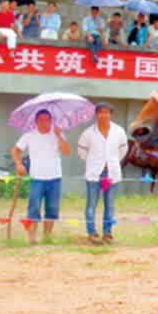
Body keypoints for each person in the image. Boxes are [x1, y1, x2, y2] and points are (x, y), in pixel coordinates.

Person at [13, 109, 70, 245]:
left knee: (52, 208)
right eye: (41, 120)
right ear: (36, 121)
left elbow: (67, 152)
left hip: (55, 177)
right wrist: (19, 164)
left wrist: (59, 136)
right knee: (33, 207)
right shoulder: (29, 135)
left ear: (51, 121)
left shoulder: (58, 134)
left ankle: (47, 237)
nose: (44, 123)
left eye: (47, 120)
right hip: (36, 178)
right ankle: (32, 239)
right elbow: (15, 150)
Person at [77, 103, 128, 244]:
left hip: (111, 173)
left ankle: (107, 233)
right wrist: (93, 161)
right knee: (91, 204)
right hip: (94, 173)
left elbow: (123, 150)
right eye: (100, 112)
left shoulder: (119, 131)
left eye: (107, 112)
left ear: (111, 114)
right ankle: (92, 233)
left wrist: (112, 161)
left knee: (109, 205)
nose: (104, 115)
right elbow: (81, 151)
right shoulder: (88, 133)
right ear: (96, 114)